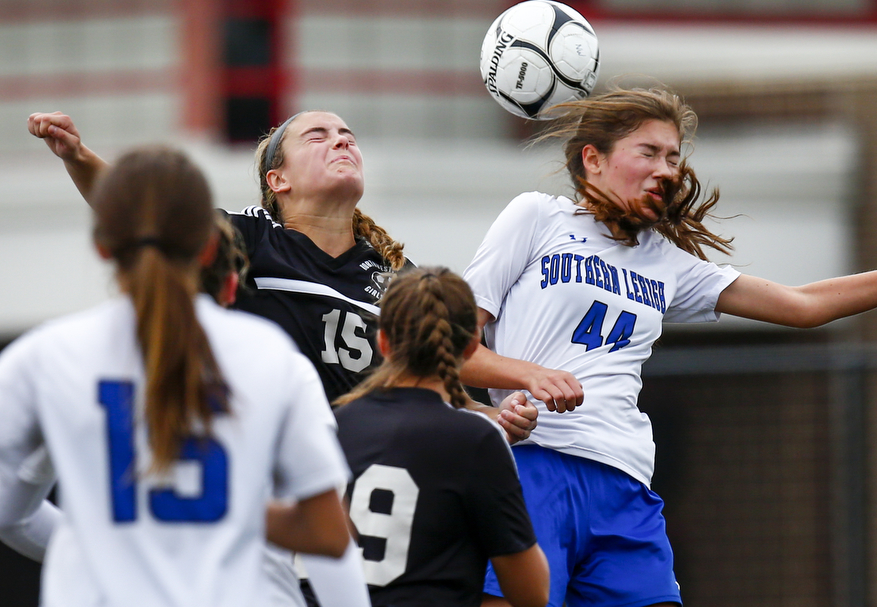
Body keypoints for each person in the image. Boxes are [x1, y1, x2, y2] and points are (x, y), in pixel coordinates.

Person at [459, 85, 877, 607]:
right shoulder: (536, 218)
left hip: (624, 479)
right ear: (592, 159)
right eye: (648, 151)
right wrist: (526, 375)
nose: (665, 170)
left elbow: (803, 306)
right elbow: (456, 352)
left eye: (673, 157)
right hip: (534, 465)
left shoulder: (666, 262)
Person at [27, 110, 537, 607]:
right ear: (278, 179)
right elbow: (149, 218)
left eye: (347, 134)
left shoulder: (398, 274)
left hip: (369, 493)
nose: (341, 141)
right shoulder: (249, 239)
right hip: (274, 485)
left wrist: (490, 414)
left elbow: (429, 375)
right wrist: (78, 156)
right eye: (317, 136)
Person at [0, 148, 353, 607]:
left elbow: (10, 515)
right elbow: (328, 533)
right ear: (210, 247)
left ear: (102, 247)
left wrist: (96, 536)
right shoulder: (272, 358)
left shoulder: (44, 357)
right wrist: (231, 506)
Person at [335, 267, 549, 607]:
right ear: (471, 346)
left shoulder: (336, 423)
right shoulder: (475, 439)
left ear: (383, 341)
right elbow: (532, 593)